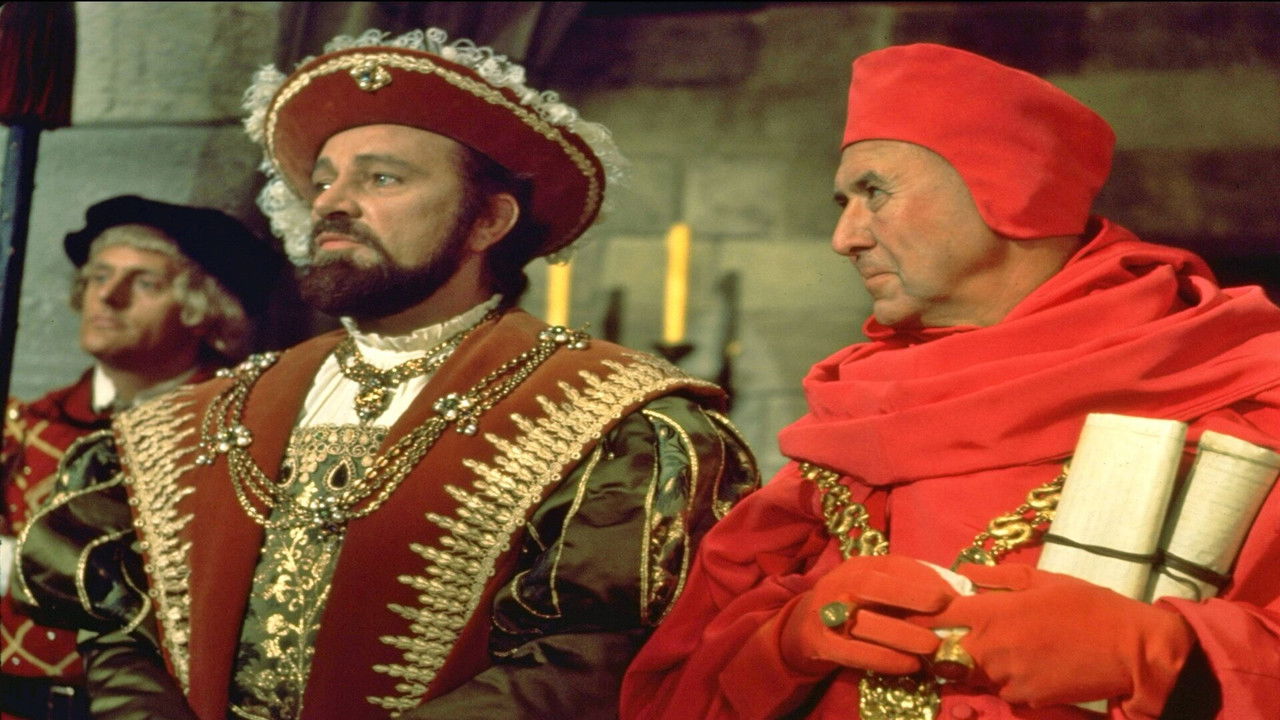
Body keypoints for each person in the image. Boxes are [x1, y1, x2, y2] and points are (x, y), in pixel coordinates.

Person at [17, 27, 758, 720]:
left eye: (382, 178)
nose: (332, 204)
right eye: (324, 181)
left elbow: (584, 661)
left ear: (488, 222)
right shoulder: (211, 411)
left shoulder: (610, 418)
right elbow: (123, 625)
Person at [620, 43, 1280, 720]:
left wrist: (1167, 655)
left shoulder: (1244, 394)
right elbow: (677, 691)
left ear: (1011, 190)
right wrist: (783, 644)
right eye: (843, 201)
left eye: (874, 192)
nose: (844, 238)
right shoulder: (853, 423)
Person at [2, 195, 281, 720]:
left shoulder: (242, 437)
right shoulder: (25, 425)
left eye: (146, 283)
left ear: (203, 311)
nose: (108, 296)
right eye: (99, 275)